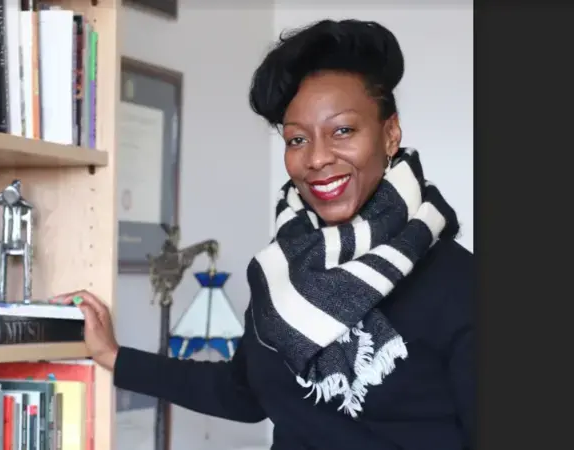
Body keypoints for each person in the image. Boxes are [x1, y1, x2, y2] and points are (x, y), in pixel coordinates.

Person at [52, 18, 474, 450]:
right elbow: (244, 392)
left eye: (343, 131)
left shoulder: (460, 283)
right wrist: (113, 357)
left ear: (390, 134)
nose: (317, 158)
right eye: (296, 140)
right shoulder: (286, 267)